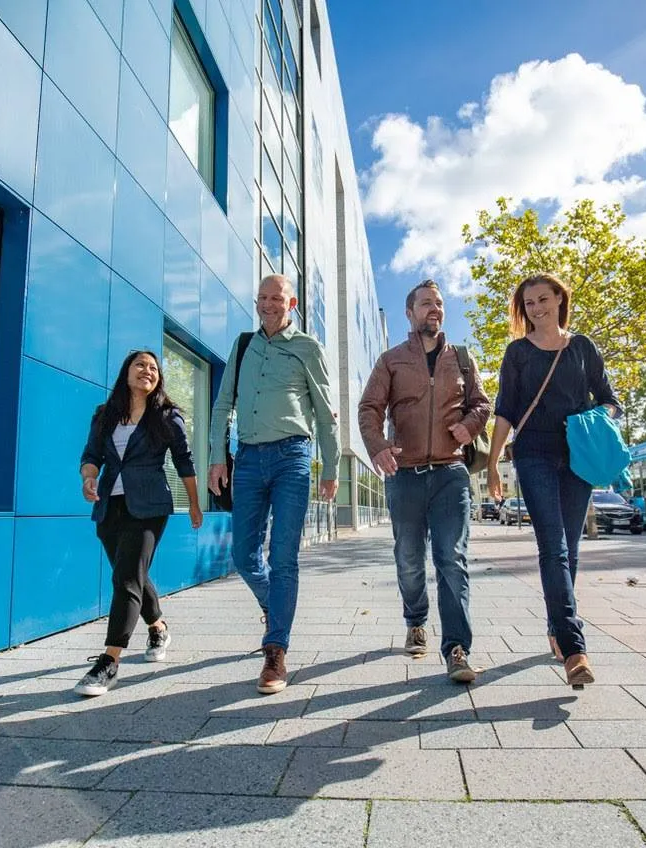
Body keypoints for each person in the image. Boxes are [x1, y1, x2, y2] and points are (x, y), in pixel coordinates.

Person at [486, 273, 622, 687]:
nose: (537, 308)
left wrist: (598, 420)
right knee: (553, 546)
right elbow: (506, 409)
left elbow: (611, 400)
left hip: (578, 455)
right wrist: (493, 462)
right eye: (529, 303)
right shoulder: (518, 353)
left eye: (544, 299)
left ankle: (556, 626)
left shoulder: (582, 348)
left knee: (571, 547)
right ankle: (575, 647)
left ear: (561, 299)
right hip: (534, 456)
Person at [208, 274, 339, 695]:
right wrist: (216, 457)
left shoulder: (308, 348)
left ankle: (275, 650)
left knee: (283, 557)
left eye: (276, 298)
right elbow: (222, 404)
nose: (268, 304)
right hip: (246, 459)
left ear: (292, 303)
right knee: (244, 555)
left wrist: (332, 466)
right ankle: (274, 604)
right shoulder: (243, 345)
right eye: (262, 297)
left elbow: (324, 412)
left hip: (291, 459)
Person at [358, 280, 491, 683]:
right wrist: (378, 446)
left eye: (439, 303)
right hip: (406, 476)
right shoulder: (391, 360)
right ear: (410, 312)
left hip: (451, 473)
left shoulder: (463, 359)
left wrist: (470, 425)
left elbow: (482, 403)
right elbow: (369, 408)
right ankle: (416, 620)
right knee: (410, 560)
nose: (434, 309)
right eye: (426, 303)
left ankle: (456, 648)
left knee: (452, 559)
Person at [76, 350, 203, 697]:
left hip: (149, 506)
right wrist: (88, 478)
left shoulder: (167, 416)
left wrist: (194, 504)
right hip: (109, 507)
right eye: (140, 365)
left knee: (126, 577)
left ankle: (109, 662)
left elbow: (184, 461)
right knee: (131, 574)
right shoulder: (105, 415)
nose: (147, 370)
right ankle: (158, 626)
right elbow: (91, 455)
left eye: (153, 367)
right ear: (126, 372)